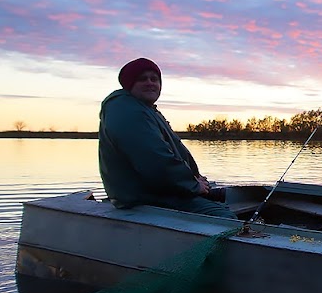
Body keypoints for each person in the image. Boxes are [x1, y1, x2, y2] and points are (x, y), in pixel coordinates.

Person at [98, 57, 237, 219]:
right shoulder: (127, 110)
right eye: (142, 79)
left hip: (161, 191)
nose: (150, 83)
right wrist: (192, 185)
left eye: (154, 79)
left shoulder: (145, 109)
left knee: (225, 195)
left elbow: (170, 152)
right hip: (144, 198)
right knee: (225, 218)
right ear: (129, 84)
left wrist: (194, 178)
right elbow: (153, 160)